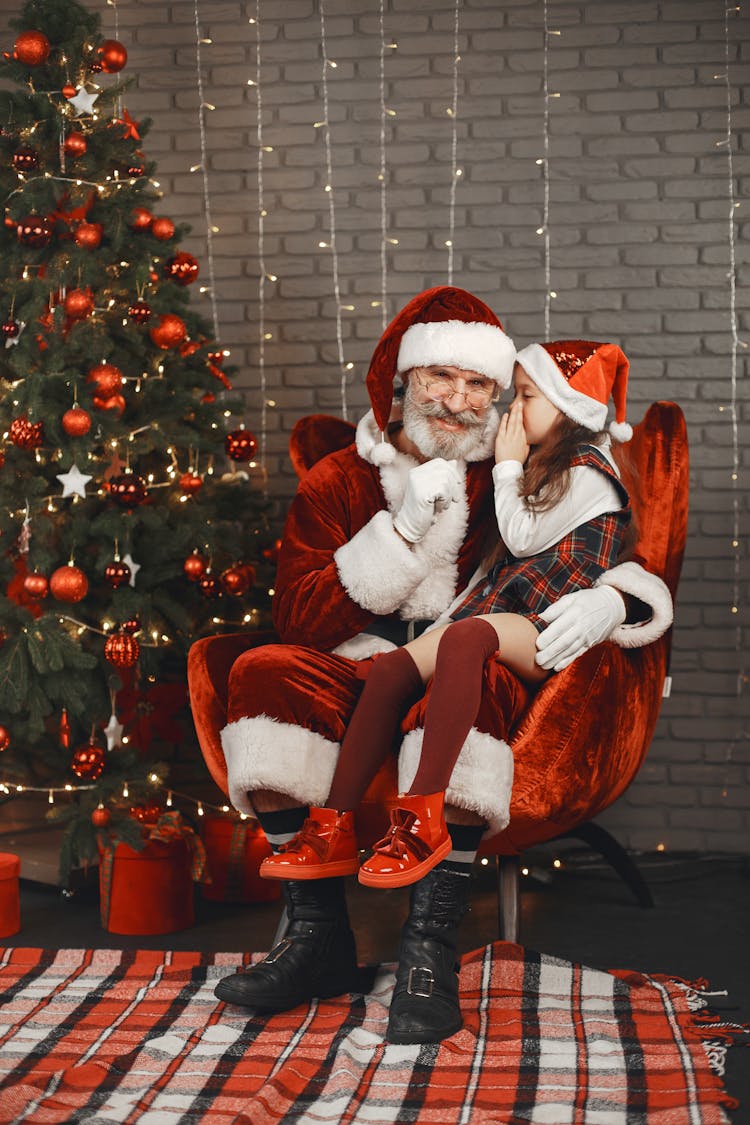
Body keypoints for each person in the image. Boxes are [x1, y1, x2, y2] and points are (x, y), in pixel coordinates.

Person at [210, 287, 673, 1044]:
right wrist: (396, 532)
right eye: (441, 378)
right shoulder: (341, 478)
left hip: (473, 666)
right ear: (406, 380)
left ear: (500, 397)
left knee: (475, 670)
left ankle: (429, 952)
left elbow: (621, 545)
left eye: (480, 385)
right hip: (366, 663)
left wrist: (619, 601)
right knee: (264, 669)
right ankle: (316, 937)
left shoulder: (517, 469)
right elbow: (296, 617)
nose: (459, 402)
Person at [259, 339, 634, 904]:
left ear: (567, 408)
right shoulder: (542, 462)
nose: (511, 409)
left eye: (526, 396)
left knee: (466, 639)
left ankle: (421, 816)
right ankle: (332, 826)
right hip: (510, 611)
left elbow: (522, 537)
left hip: (547, 623)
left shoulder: (589, 468)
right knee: (390, 673)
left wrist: (507, 466)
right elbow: (495, 569)